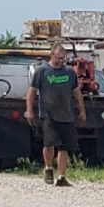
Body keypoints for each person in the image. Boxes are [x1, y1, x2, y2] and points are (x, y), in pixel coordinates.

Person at [28, 46, 80, 186]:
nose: (60, 61)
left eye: (63, 59)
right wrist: (29, 110)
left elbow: (76, 93)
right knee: (49, 143)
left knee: (64, 147)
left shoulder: (70, 73)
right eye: (57, 58)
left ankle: (62, 177)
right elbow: (32, 92)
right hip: (48, 114)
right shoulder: (42, 72)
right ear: (51, 55)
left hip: (66, 115)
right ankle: (49, 168)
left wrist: (82, 110)